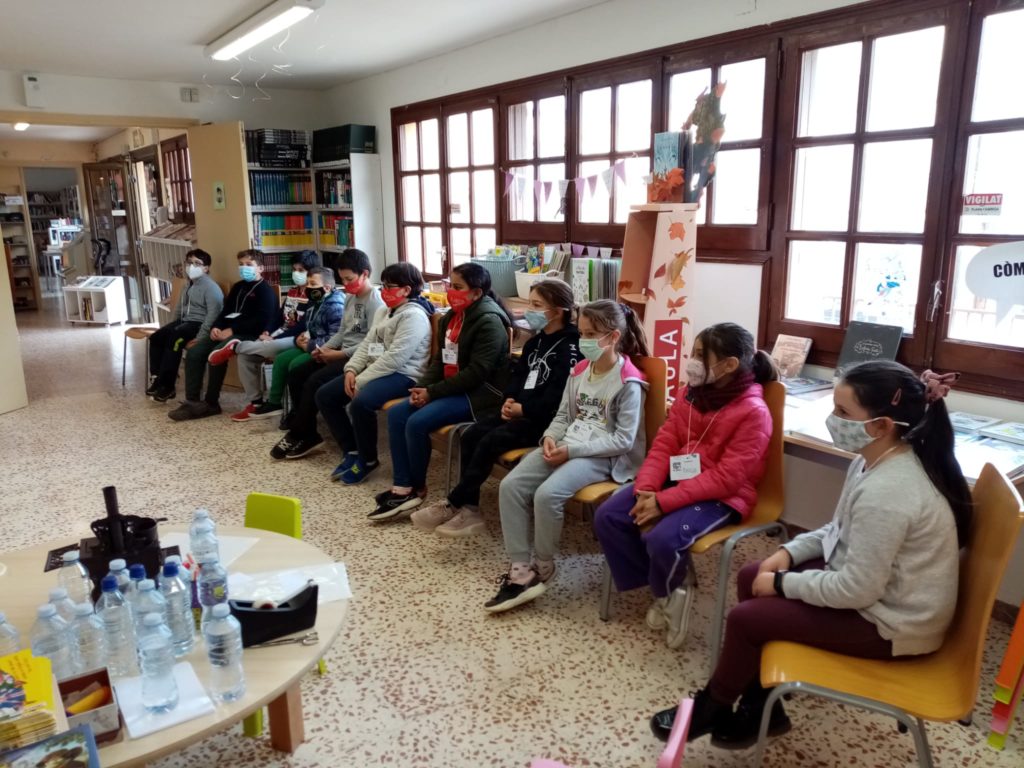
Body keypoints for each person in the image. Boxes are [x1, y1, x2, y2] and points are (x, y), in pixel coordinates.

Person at [649, 362, 971, 750]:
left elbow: (856, 590)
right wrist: (788, 553)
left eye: (843, 412)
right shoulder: (872, 460)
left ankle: (712, 706)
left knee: (747, 620)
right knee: (752, 575)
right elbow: (838, 530)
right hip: (876, 592)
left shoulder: (890, 491)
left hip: (894, 624)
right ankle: (761, 704)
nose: (833, 419)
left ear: (882, 425)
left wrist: (784, 583)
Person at [594, 322, 776, 648]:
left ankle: (672, 590)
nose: (690, 361)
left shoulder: (754, 411)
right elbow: (664, 444)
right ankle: (664, 588)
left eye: (699, 355)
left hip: (724, 496)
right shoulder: (689, 393)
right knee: (609, 516)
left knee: (662, 538)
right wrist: (647, 490)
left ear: (729, 365)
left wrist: (663, 503)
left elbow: (728, 478)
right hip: (676, 482)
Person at [485, 300, 649, 613]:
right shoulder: (580, 371)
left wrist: (571, 451)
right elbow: (563, 415)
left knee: (547, 495)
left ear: (613, 337)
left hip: (603, 455)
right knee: (511, 486)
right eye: (582, 332)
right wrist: (549, 438)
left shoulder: (629, 382)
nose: (582, 340)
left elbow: (623, 440)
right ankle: (520, 567)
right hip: (567, 444)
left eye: (590, 334)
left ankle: (544, 565)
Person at [410, 278, 580, 537]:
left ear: (557, 312)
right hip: (519, 412)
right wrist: (509, 400)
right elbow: (517, 377)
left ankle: (453, 502)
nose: (530, 311)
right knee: (471, 434)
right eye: (530, 303)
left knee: (491, 440)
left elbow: (560, 395)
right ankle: (470, 510)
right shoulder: (535, 342)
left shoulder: (571, 346)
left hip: (547, 421)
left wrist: (524, 409)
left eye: (537, 305)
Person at [369, 262, 512, 520]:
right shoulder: (450, 318)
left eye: (458, 287)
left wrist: (432, 393)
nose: (450, 292)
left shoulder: (489, 322)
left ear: (476, 293)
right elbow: (439, 361)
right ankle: (402, 486)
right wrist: (422, 386)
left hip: (480, 395)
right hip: (451, 388)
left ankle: (416, 488)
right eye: (450, 285)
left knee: (417, 422)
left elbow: (476, 373)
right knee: (398, 414)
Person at [316, 262, 434, 484]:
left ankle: (368, 459)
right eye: (383, 285)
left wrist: (360, 380)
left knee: (361, 402)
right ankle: (352, 450)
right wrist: (351, 369)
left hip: (405, 375)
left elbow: (395, 359)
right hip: (378, 370)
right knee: (325, 395)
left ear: (406, 290)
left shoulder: (414, 316)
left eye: (389, 287)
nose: (383, 291)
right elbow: (367, 344)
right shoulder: (384, 311)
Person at [270, 248, 382, 459]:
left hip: (358, 359)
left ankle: (299, 433)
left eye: (349, 279)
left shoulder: (376, 302)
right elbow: (342, 332)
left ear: (365, 274)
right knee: (296, 374)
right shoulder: (350, 297)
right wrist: (323, 349)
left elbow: (372, 343)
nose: (345, 284)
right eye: (342, 280)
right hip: (341, 353)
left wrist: (340, 354)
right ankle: (308, 432)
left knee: (315, 382)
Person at [220, 266, 343, 421]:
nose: (308, 287)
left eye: (312, 284)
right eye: (308, 283)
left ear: (327, 287)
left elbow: (333, 337)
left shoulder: (335, 307)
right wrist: (275, 333)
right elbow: (301, 323)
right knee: (266, 358)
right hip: (304, 341)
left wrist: (306, 342)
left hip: (315, 347)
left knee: (293, 364)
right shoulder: (313, 300)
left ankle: (236, 347)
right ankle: (267, 403)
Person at [169, 249, 277, 421]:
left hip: (250, 335)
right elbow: (225, 311)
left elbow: (261, 321)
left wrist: (232, 330)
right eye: (241, 264)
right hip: (226, 332)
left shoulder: (265, 291)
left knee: (216, 355)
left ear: (261, 268)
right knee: (195, 352)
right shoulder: (238, 287)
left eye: (249, 264)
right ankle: (192, 402)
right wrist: (217, 327)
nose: (244, 268)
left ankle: (211, 403)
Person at [146, 248, 223, 402]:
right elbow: (179, 309)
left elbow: (213, 315)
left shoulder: (211, 288)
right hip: (184, 322)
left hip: (198, 324)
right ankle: (157, 378)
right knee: (157, 337)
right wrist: (171, 326)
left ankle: (167, 386)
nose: (192, 266)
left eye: (197, 263)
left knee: (175, 340)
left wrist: (201, 337)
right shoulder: (187, 285)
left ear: (206, 268)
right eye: (189, 262)